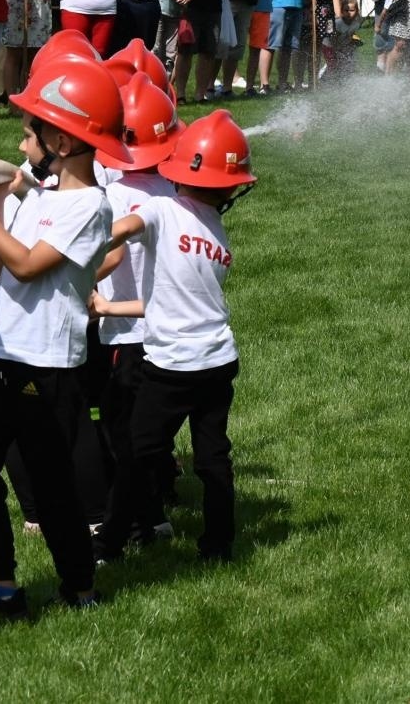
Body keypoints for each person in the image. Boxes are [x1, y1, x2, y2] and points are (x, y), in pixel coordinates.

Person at [0, 53, 125, 622]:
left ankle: (79, 588)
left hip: (47, 369)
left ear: (65, 143)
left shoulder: (90, 207)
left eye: (31, 134)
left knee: (52, 488)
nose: (22, 146)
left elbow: (25, 266)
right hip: (1, 354)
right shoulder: (41, 197)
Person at [90, 110, 257, 565]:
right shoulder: (219, 239)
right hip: (218, 360)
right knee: (212, 459)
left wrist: (81, 250)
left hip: (170, 366)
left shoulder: (162, 209)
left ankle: (108, 545)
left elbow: (122, 230)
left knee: (137, 455)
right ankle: (219, 546)